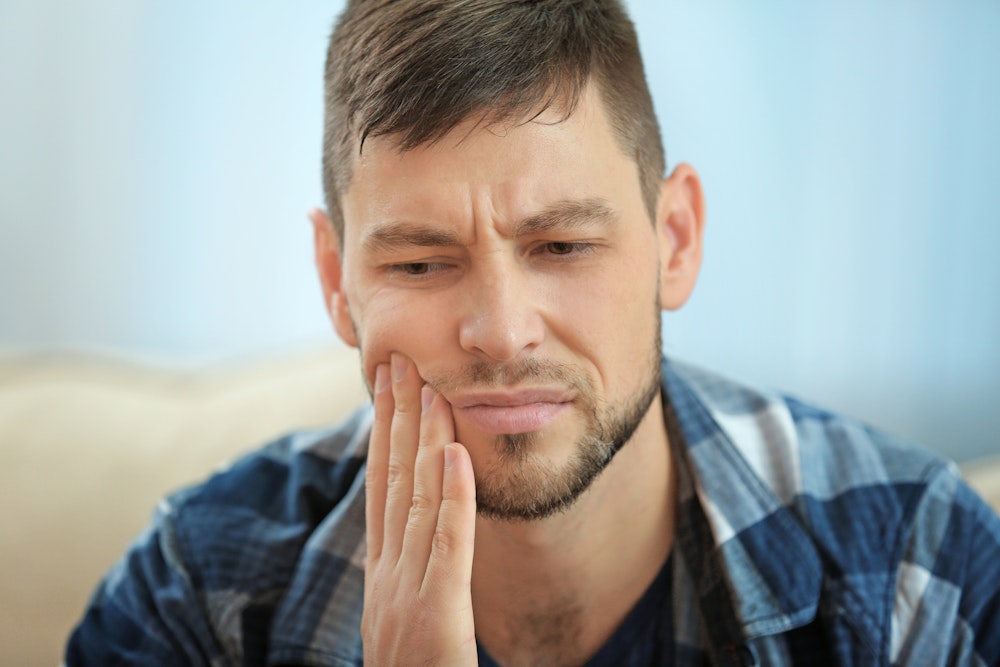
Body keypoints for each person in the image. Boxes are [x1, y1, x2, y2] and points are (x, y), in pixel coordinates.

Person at [66, 1, 1000, 665]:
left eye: (561, 243)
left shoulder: (919, 568)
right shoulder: (197, 593)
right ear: (335, 280)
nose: (503, 332)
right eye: (420, 263)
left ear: (674, 240)